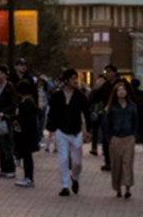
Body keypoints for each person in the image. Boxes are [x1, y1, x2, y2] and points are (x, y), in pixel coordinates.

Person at [46, 68, 90, 196]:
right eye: (72, 78)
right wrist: (52, 127)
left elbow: (86, 113)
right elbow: (52, 113)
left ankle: (74, 178)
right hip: (61, 131)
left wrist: (88, 130)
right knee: (63, 159)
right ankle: (65, 186)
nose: (75, 81)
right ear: (66, 81)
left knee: (77, 162)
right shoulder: (57, 96)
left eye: (76, 78)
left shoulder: (81, 96)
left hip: (76, 132)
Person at [106, 80, 138, 198]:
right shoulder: (112, 108)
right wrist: (110, 138)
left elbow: (135, 122)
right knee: (116, 164)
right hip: (115, 138)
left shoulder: (132, 107)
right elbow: (108, 124)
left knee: (127, 163)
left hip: (128, 138)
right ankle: (117, 188)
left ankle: (128, 188)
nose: (121, 92)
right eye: (118, 90)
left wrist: (134, 136)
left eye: (123, 90)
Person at [92, 64, 119, 171]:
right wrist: (97, 88)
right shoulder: (105, 85)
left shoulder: (121, 84)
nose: (107, 74)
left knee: (117, 139)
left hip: (118, 115)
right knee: (106, 139)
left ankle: (116, 161)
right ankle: (108, 162)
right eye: (106, 72)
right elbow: (95, 98)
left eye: (109, 72)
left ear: (114, 73)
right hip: (107, 115)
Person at [0, 65, 17, 178]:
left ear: (6, 75)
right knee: (0, 144)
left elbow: (13, 103)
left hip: (6, 118)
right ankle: (3, 168)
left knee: (7, 144)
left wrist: (5, 113)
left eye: (2, 73)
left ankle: (10, 168)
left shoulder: (9, 87)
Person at [14, 80, 39, 188]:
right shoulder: (29, 102)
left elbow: (26, 119)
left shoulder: (27, 103)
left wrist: (17, 121)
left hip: (26, 134)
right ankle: (27, 177)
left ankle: (29, 178)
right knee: (27, 156)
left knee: (27, 156)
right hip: (29, 133)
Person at [88, 75, 106, 157]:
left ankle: (104, 149)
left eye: (102, 81)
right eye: (99, 81)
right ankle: (94, 148)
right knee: (95, 131)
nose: (100, 82)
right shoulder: (94, 91)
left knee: (104, 131)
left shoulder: (106, 90)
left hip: (104, 112)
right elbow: (90, 101)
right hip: (95, 112)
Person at [131, 77, 143, 153]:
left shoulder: (130, 94)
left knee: (132, 129)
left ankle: (132, 144)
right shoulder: (142, 93)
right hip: (141, 113)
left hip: (132, 113)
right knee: (142, 130)